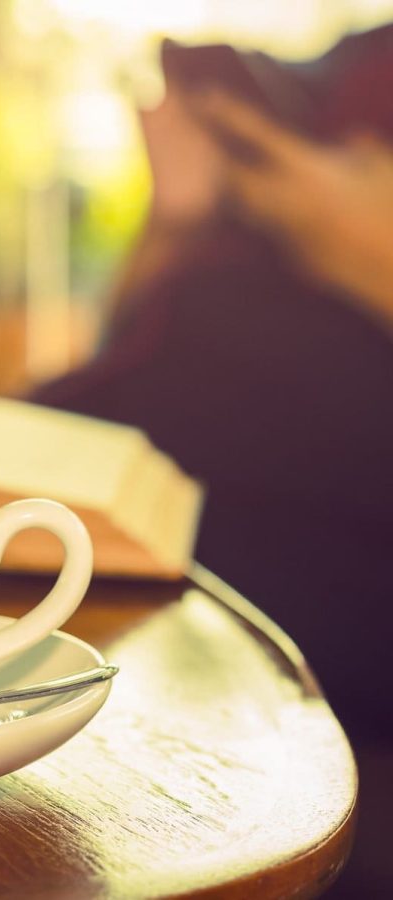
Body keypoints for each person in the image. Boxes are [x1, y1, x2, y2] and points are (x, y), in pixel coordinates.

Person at [33, 26, 393, 741]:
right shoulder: (232, 276)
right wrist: (174, 221)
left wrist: (364, 251)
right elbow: (114, 372)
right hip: (137, 647)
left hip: (291, 696)